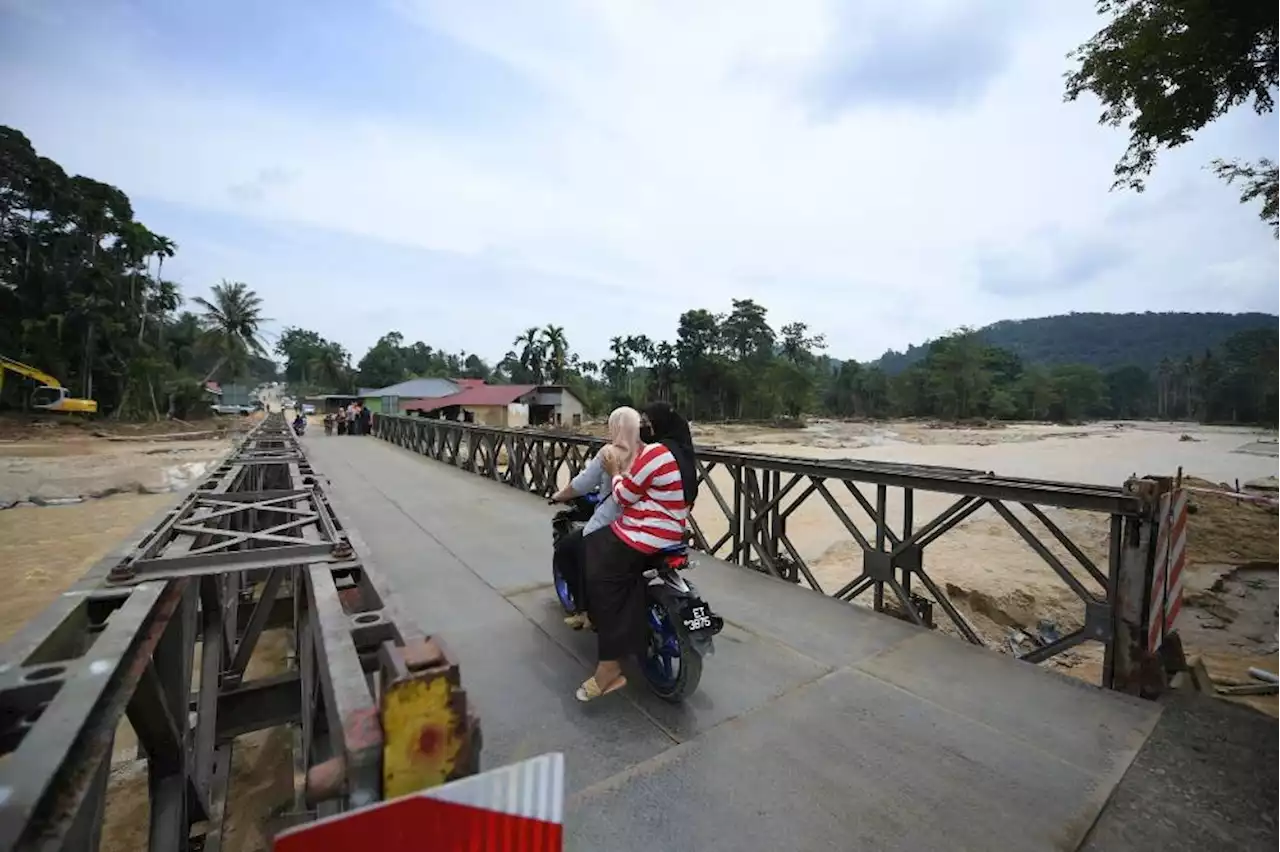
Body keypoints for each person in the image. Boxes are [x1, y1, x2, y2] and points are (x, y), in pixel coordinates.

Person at [577, 407, 692, 702]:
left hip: (644, 534)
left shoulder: (656, 452)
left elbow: (623, 496)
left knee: (599, 570)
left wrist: (615, 473)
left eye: (648, 424)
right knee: (613, 564)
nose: (644, 429)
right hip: (673, 532)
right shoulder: (683, 454)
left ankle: (609, 667)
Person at [548, 407, 641, 630]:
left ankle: (585, 611)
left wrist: (558, 496)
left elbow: (581, 485)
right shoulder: (647, 453)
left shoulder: (609, 452)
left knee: (568, 550)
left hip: (610, 522)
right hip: (640, 523)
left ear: (614, 427)